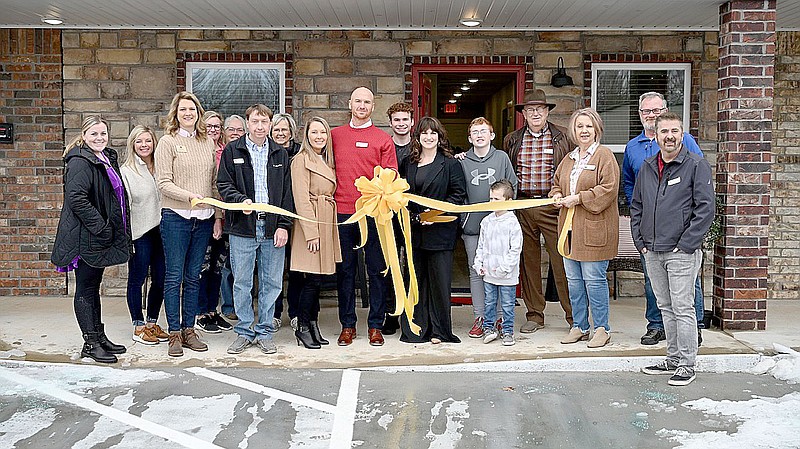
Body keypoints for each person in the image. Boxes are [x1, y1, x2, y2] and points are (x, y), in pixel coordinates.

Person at [632, 112, 714, 386]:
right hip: (652, 250)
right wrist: (640, 242)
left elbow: (705, 210)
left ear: (682, 135)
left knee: (683, 307)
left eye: (674, 131)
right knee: (665, 307)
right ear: (655, 135)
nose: (669, 136)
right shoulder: (646, 167)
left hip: (681, 251)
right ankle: (673, 359)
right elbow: (637, 207)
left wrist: (686, 245)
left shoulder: (695, 165)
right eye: (663, 131)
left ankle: (687, 364)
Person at [622, 92, 706, 346]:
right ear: (640, 115)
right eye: (647, 111)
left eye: (656, 110)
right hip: (651, 233)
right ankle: (657, 326)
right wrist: (642, 214)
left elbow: (699, 188)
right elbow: (629, 182)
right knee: (653, 284)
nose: (652, 115)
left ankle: (695, 328)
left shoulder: (686, 142)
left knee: (688, 287)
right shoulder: (633, 147)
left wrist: (689, 237)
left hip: (681, 233)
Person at [52, 116, 131, 363]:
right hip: (83, 236)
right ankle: (90, 343)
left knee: (93, 287)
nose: (99, 138)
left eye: (103, 134)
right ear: (84, 135)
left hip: (95, 236)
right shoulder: (79, 162)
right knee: (85, 288)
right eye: (94, 134)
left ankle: (99, 336)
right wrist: (101, 227)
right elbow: (76, 199)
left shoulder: (105, 157)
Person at [217, 104, 293, 355]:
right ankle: (244, 330)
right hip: (243, 227)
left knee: (272, 283)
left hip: (272, 228)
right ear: (247, 124)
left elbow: (286, 194)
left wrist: (283, 225)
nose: (260, 126)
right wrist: (240, 202)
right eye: (255, 122)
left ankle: (265, 333)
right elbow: (223, 184)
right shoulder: (232, 150)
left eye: (264, 122)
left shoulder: (279, 154)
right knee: (242, 282)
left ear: (270, 124)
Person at [155, 91, 221, 357]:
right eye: (183, 110)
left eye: (192, 110)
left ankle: (189, 329)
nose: (188, 114)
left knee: (194, 277)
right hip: (176, 218)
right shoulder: (167, 143)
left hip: (203, 220)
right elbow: (163, 183)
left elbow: (214, 184)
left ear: (198, 113)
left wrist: (217, 215)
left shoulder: (207, 143)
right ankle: (173, 333)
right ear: (176, 113)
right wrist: (189, 197)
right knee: (174, 277)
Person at [503, 89, 573, 334]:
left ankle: (573, 317)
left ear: (546, 111)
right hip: (523, 206)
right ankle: (534, 315)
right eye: (530, 109)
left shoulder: (563, 137)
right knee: (528, 263)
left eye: (539, 109)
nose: (535, 113)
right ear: (523, 113)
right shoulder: (512, 139)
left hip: (552, 205)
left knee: (562, 261)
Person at [332, 87, 397, 347]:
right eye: (358, 101)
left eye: (367, 102)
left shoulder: (382, 139)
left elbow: (391, 174)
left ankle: (375, 325)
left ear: (373, 106)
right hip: (342, 212)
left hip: (373, 214)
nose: (362, 105)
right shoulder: (335, 135)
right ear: (350, 104)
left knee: (377, 270)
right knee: (345, 271)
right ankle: (347, 324)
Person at [551, 108, 620, 348]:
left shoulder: (604, 156)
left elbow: (609, 189)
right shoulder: (569, 158)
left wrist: (578, 198)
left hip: (594, 229)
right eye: (580, 126)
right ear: (573, 130)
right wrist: (558, 194)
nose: (584, 131)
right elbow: (556, 184)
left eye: (588, 126)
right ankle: (579, 326)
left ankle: (602, 328)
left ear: (596, 129)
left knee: (594, 280)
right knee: (574, 281)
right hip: (569, 231)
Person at [399, 117, 467, 344]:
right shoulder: (407, 163)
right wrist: (414, 217)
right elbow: (400, 195)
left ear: (440, 137)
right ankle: (417, 329)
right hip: (414, 231)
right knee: (415, 281)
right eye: (424, 133)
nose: (429, 137)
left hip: (441, 232)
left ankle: (439, 330)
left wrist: (434, 215)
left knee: (439, 282)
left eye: (433, 133)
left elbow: (457, 195)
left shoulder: (450, 164)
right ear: (417, 137)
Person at [457, 117, 518, 338]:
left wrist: (505, 214)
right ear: (469, 137)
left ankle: (500, 318)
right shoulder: (462, 161)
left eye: (484, 131)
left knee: (501, 271)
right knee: (477, 272)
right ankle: (480, 318)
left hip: (499, 227)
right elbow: (457, 189)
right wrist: (463, 215)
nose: (479, 135)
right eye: (475, 132)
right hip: (472, 227)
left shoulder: (501, 158)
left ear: (492, 135)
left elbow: (512, 186)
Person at [290, 117, 341, 349]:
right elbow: (301, 199)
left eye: (323, 132)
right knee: (310, 279)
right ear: (306, 135)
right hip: (310, 224)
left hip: (326, 220)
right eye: (314, 132)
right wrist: (311, 233)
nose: (319, 136)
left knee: (318, 280)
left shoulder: (327, 160)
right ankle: (302, 327)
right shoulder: (301, 160)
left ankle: (312, 323)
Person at [120, 125, 168, 346]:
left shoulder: (162, 166)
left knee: (160, 278)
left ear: (154, 143)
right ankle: (138, 326)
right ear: (132, 145)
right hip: (140, 232)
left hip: (163, 230)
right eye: (139, 141)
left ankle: (151, 323)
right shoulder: (127, 171)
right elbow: (124, 206)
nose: (144, 145)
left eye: (148, 141)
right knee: (138, 279)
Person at [473, 180, 522, 346]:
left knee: (508, 304)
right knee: (489, 302)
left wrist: (504, 268)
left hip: (506, 274)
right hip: (489, 273)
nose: (492, 202)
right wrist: (479, 262)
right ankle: (489, 328)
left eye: (496, 199)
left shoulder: (512, 223)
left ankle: (507, 331)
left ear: (508, 201)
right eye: (491, 198)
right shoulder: (486, 221)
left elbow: (515, 249)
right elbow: (482, 245)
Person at [196, 111, 233, 334]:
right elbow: (210, 188)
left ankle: (212, 310)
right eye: (209, 126)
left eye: (217, 126)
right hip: (204, 217)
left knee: (217, 267)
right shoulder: (199, 149)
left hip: (224, 217)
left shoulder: (224, 151)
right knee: (202, 266)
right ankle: (200, 312)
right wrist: (216, 219)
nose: (213, 130)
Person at [384, 101, 415, 335]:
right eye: (397, 120)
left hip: (414, 212)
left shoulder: (420, 145)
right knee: (389, 263)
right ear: (391, 123)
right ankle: (391, 311)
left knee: (413, 264)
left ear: (411, 122)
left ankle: (412, 309)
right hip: (388, 213)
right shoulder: (385, 146)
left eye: (405, 119)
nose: (401, 123)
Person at [271, 112, 303, 332]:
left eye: (284, 129)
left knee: (297, 269)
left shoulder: (301, 153)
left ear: (292, 132)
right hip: (274, 216)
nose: (281, 133)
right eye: (277, 130)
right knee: (273, 269)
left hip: (299, 216)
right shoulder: (266, 153)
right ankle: (273, 313)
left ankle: (296, 312)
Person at [219, 114, 247, 321]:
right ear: (224, 131)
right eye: (231, 130)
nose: (235, 133)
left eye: (239, 130)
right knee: (224, 266)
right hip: (220, 217)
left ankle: (239, 306)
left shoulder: (244, 152)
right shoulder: (219, 152)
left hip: (241, 219)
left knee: (236, 265)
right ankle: (228, 305)